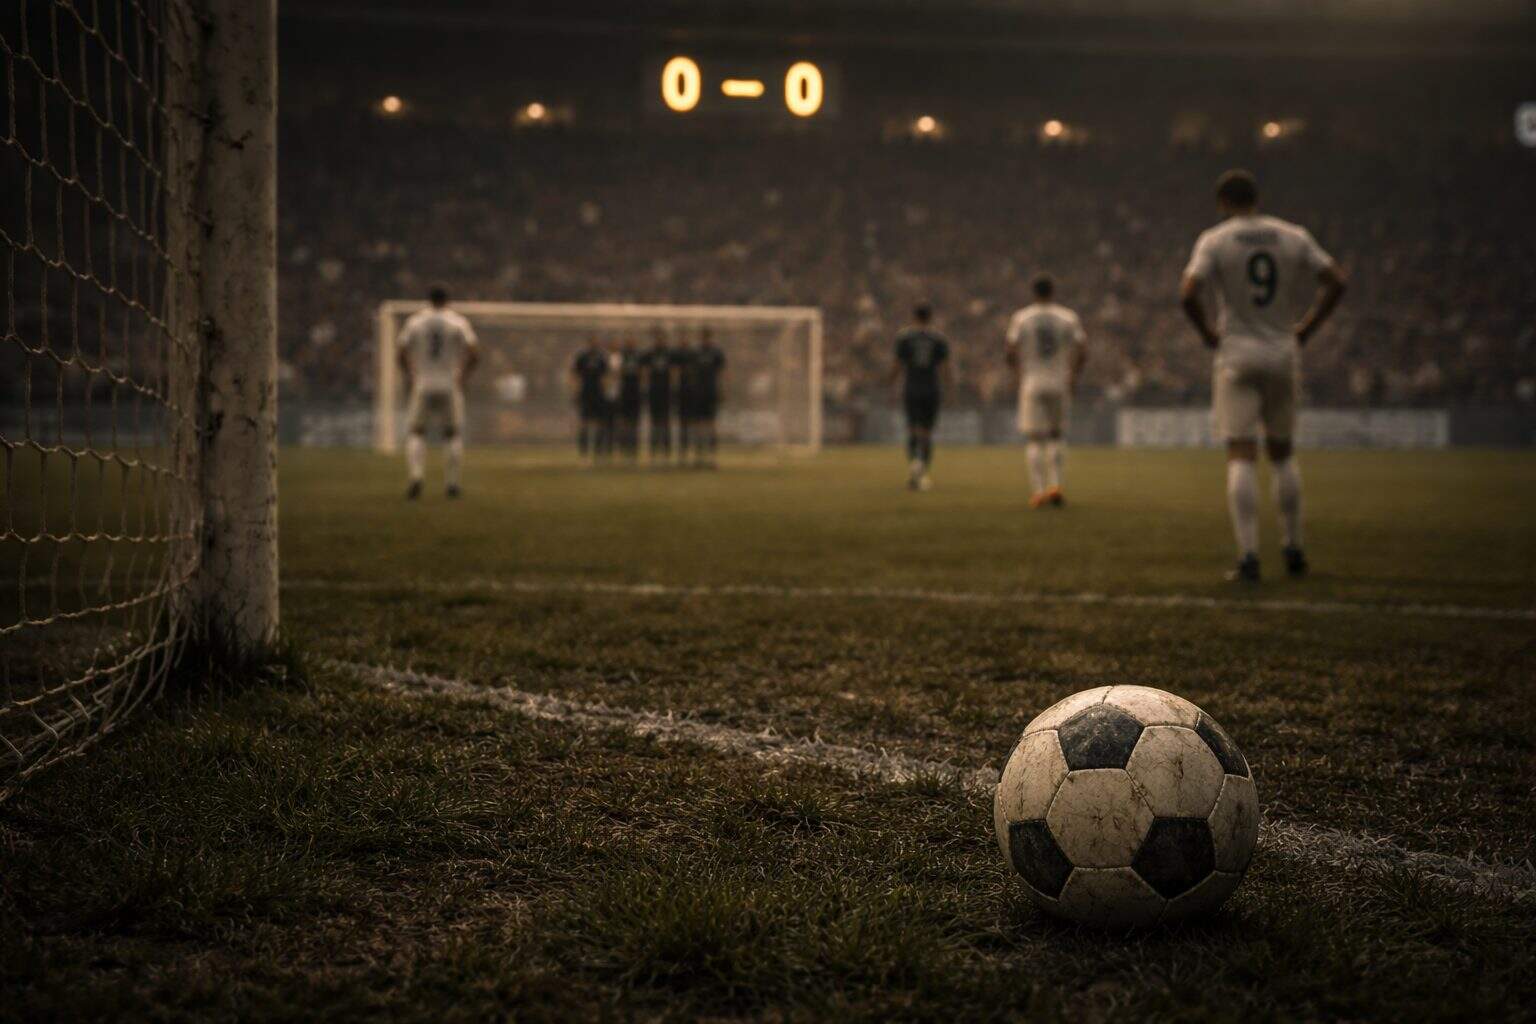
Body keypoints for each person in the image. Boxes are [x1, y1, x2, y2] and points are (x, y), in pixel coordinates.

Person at [1180, 169, 1347, 582]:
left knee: (1240, 453)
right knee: (1283, 454)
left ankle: (1249, 557)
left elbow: (1187, 293)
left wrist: (1206, 334)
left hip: (1236, 352)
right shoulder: (1293, 235)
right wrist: (1307, 327)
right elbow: (1337, 281)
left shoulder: (1215, 239)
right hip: (1281, 351)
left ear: (1223, 203)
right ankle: (1293, 549)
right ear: (1257, 198)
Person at [1006, 275, 1086, 508]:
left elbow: (1010, 350)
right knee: (1057, 435)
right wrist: (1073, 375)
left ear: (1033, 292)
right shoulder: (1067, 317)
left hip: (1032, 381)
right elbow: (1083, 348)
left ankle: (1039, 491)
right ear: (1053, 291)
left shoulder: (1022, 317)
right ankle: (1056, 486)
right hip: (1059, 381)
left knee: (1034, 438)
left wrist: (1018, 375)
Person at [396, 285, 478, 499]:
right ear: (447, 300)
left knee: (416, 431)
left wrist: (410, 373)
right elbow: (473, 350)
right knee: (452, 433)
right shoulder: (457, 321)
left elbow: (401, 350)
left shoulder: (416, 321)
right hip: (449, 383)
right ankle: (451, 484)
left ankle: (416, 478)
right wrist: (463, 375)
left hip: (423, 382)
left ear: (428, 299)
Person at [890, 303, 953, 491]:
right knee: (926, 432)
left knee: (912, 430)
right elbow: (945, 368)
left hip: (912, 388)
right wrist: (949, 390)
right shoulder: (938, 339)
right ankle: (922, 470)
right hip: (931, 389)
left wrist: (889, 385)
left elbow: (897, 365)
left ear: (914, 316)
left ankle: (914, 467)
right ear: (930, 317)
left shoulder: (904, 337)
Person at [688, 328, 726, 468]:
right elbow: (691, 372)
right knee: (698, 426)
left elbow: (722, 373)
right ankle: (698, 457)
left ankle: (712, 458)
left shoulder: (716, 353)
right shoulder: (695, 353)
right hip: (698, 393)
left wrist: (721, 390)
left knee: (711, 425)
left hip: (711, 393)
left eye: (707, 337)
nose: (705, 340)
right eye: (703, 337)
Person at [571, 337, 610, 461]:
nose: (594, 343)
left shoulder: (602, 358)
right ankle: (584, 451)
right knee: (584, 423)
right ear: (589, 343)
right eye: (592, 341)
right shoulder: (582, 357)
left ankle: (598, 451)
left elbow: (606, 376)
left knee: (599, 423)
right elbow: (575, 375)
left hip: (598, 394)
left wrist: (605, 391)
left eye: (596, 341)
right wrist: (576, 391)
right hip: (585, 393)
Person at [641, 329, 675, 462]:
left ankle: (666, 452)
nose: (659, 341)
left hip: (666, 392)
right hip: (654, 392)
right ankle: (653, 451)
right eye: (657, 338)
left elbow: (673, 373)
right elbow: (645, 373)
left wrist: (673, 388)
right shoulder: (649, 354)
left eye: (662, 338)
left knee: (666, 423)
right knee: (654, 423)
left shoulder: (670, 354)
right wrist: (645, 388)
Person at [616, 337, 644, 462]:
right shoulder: (621, 356)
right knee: (624, 421)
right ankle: (624, 446)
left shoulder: (639, 356)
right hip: (624, 392)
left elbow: (643, 373)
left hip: (635, 393)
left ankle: (634, 447)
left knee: (634, 421)